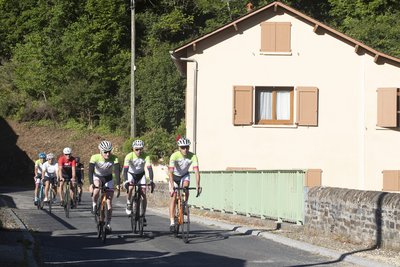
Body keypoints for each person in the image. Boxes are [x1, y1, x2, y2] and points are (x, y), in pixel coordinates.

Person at [168, 136, 201, 232]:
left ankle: (184, 205)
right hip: (174, 177)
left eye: (187, 147)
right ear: (179, 148)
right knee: (173, 197)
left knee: (186, 188)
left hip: (184, 175)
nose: (185, 149)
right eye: (183, 147)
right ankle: (172, 222)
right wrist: (172, 185)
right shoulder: (174, 156)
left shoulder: (193, 156)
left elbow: (196, 171)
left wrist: (198, 185)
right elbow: (170, 172)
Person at [89, 140, 121, 232]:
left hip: (108, 179)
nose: (108, 154)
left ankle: (108, 223)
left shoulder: (114, 158)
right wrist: (91, 184)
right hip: (97, 177)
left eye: (109, 151)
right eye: (105, 152)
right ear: (100, 151)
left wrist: (118, 185)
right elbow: (90, 171)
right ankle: (94, 204)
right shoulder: (94, 157)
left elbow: (117, 172)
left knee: (109, 203)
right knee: (96, 188)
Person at [123, 140, 154, 225]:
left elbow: (149, 169)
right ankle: (129, 203)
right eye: (136, 149)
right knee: (131, 187)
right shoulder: (129, 156)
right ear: (133, 149)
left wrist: (151, 180)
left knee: (144, 194)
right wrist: (126, 181)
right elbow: (125, 170)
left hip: (141, 175)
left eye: (140, 149)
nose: (139, 151)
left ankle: (143, 215)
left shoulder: (146, 156)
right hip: (131, 174)